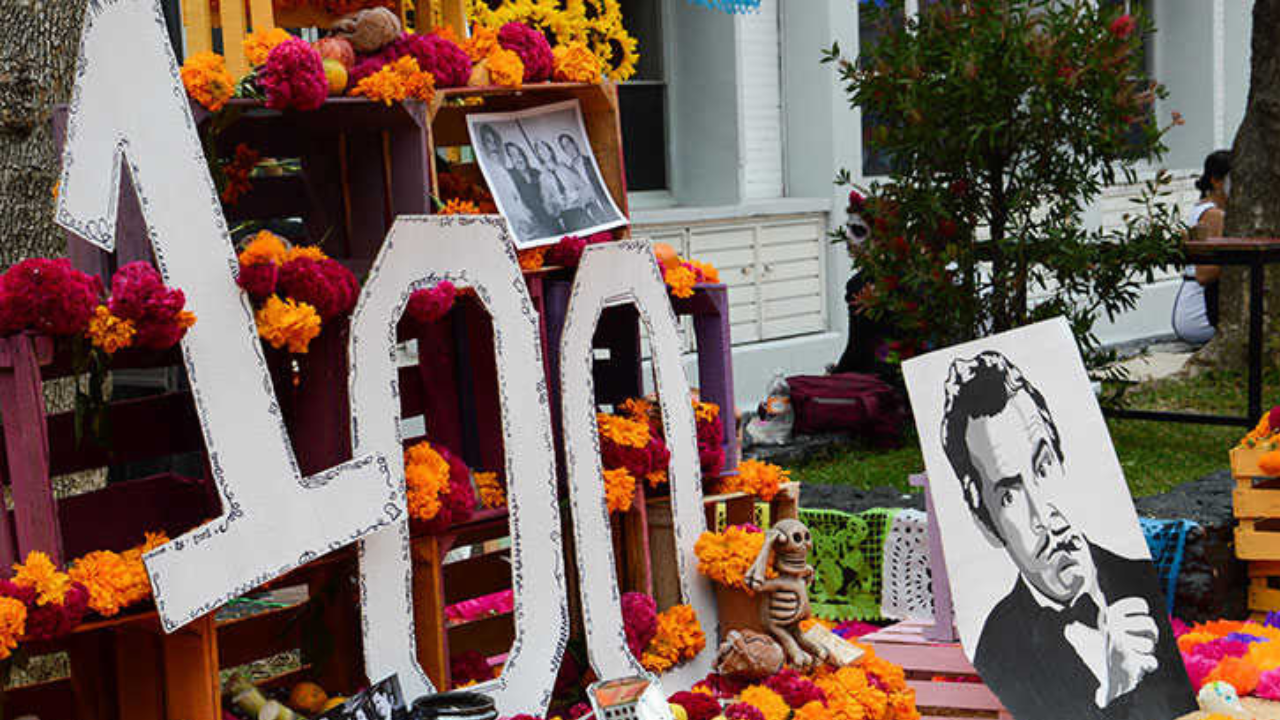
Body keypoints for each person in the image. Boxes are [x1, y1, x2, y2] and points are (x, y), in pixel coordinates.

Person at [940, 351, 1194, 720]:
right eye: (1009, 494)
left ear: (1061, 457)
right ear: (985, 521)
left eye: (1042, 465)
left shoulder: (1140, 577)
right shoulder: (998, 647)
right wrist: (1115, 690)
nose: (1044, 515)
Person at [1172, 150, 1230, 345]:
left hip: (1194, 306)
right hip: (1200, 312)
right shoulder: (1214, 215)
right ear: (1216, 181)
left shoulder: (1206, 209)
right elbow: (1204, 274)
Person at [476, 125, 533, 232]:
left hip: (524, 224)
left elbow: (517, 201)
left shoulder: (504, 170)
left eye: (495, 142)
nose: (494, 146)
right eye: (489, 142)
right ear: (483, 145)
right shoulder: (491, 171)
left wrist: (528, 216)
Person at [558, 133, 611, 223]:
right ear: (564, 151)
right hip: (591, 209)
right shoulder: (568, 171)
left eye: (569, 144)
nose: (569, 148)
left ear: (575, 144)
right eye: (565, 147)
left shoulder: (592, 161)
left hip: (605, 202)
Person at [505, 142, 554, 237]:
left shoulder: (536, 173)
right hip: (531, 225)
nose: (518, 158)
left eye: (519, 154)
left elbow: (550, 195)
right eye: (513, 155)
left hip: (550, 219)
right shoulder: (509, 177)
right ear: (509, 160)